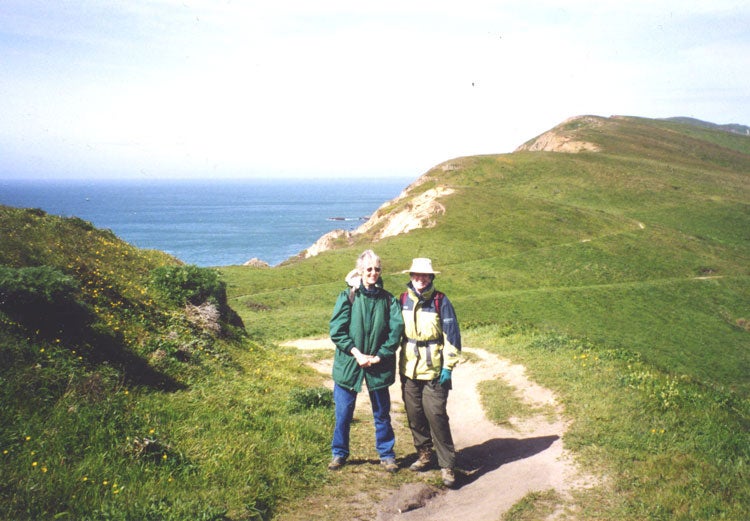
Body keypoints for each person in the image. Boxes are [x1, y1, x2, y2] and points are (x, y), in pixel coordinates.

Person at [328, 250, 405, 473]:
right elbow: (337, 330)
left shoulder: (388, 299)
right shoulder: (348, 296)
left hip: (378, 365)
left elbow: (395, 330)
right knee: (343, 412)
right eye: (369, 269)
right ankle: (339, 453)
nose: (373, 273)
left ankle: (387, 455)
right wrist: (357, 354)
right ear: (360, 271)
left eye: (377, 269)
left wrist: (380, 355)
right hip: (349, 364)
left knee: (381, 413)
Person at [398, 258, 462, 487]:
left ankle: (447, 466)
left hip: (435, 370)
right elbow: (394, 331)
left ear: (431, 277)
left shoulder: (440, 301)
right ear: (411, 276)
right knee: (415, 416)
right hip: (408, 369)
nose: (420, 279)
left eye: (424, 275)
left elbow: (452, 335)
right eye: (416, 275)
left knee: (436, 416)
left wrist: (448, 367)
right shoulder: (403, 299)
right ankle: (425, 455)